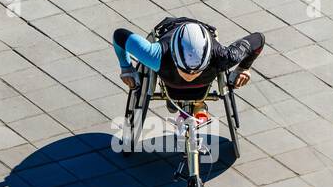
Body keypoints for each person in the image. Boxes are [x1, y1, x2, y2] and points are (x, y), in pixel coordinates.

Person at [113, 17, 264, 126]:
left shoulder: (224, 56)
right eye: (185, 70)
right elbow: (119, 35)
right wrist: (126, 68)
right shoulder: (154, 54)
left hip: (194, 63)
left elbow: (259, 39)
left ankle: (196, 104)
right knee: (177, 93)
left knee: (186, 91)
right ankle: (189, 104)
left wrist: (244, 68)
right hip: (170, 28)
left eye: (197, 71)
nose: (190, 76)